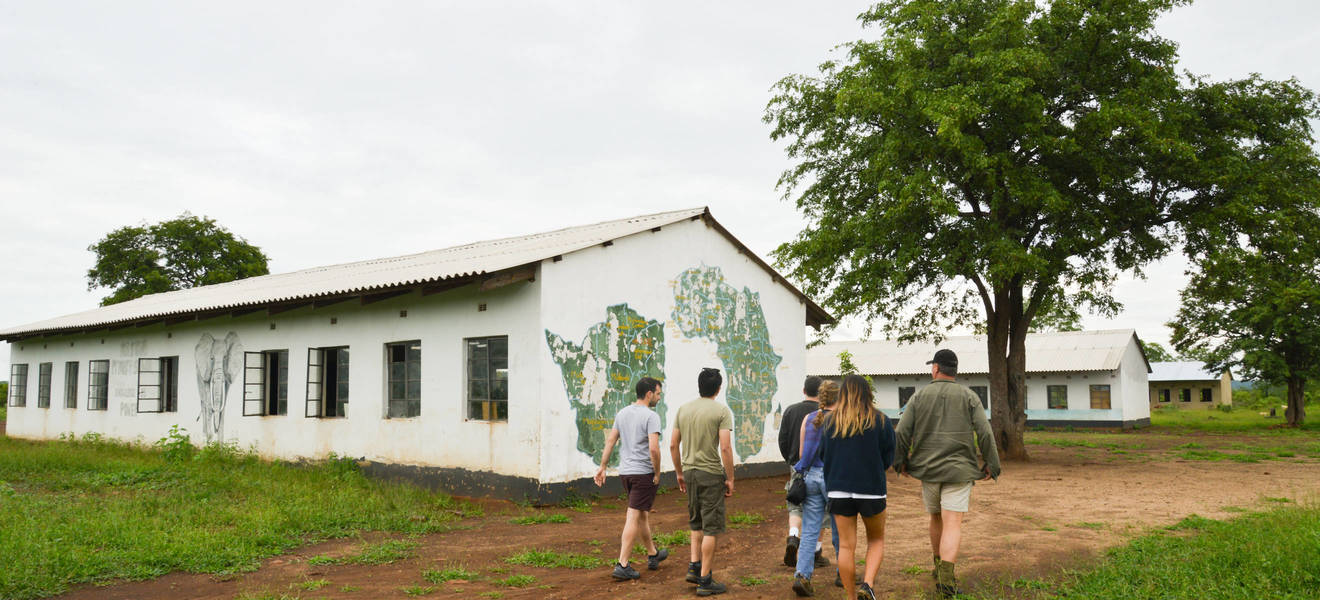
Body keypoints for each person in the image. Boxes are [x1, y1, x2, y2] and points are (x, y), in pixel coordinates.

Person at [893, 349, 1001, 598]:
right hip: (960, 471)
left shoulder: (919, 397)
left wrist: (901, 462)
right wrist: (991, 465)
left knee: (936, 518)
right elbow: (985, 433)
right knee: (953, 524)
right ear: (955, 371)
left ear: (935, 368)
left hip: (928, 470)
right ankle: (946, 580)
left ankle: (937, 566)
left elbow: (902, 433)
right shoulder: (969, 396)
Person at [821, 374, 895, 600]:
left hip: (838, 489)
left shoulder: (830, 422)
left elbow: (824, 456)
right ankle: (868, 585)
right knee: (876, 539)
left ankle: (851, 597)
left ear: (843, 395)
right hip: (871, 489)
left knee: (845, 546)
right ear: (868, 394)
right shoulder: (881, 420)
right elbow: (888, 458)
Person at [595, 376, 669, 580]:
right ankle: (622, 564)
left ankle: (653, 554)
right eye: (658, 393)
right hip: (642, 473)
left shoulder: (622, 413)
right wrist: (657, 472)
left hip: (626, 473)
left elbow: (611, 440)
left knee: (641, 514)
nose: (659, 397)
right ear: (649, 394)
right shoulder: (651, 416)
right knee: (633, 516)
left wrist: (603, 467)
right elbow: (654, 448)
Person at [670, 367, 735, 597]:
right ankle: (705, 579)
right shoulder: (721, 411)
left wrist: (679, 472)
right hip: (710, 473)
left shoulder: (683, 410)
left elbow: (673, 444)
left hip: (689, 471)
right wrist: (730, 478)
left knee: (695, 522)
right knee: (711, 527)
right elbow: (725, 447)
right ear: (718, 388)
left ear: (699, 386)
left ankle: (694, 566)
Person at [788, 380, 842, 597]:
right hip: (834, 478)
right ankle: (842, 572)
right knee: (840, 528)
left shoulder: (808, 419)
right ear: (838, 398)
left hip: (810, 477)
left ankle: (802, 575)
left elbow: (802, 454)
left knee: (810, 529)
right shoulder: (841, 420)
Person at [778, 376, 831, 568]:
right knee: (821, 509)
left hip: (797, 466)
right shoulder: (825, 413)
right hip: (821, 468)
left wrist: (791, 460)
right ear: (821, 393)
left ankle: (793, 536)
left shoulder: (791, 410)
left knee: (796, 504)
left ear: (803, 390)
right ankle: (816, 551)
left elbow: (782, 439)